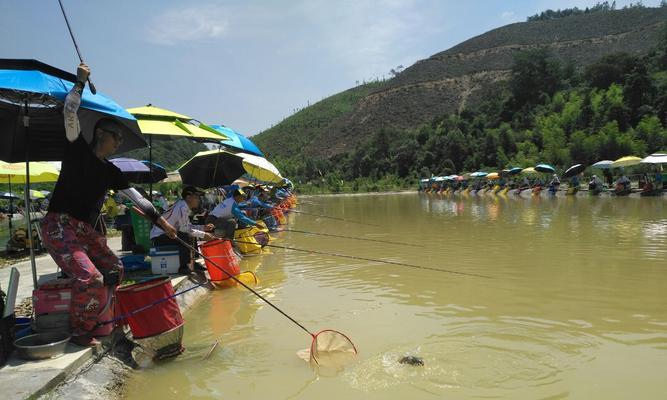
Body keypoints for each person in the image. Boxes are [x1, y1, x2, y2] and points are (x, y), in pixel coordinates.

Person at [40, 63, 176, 347]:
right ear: (102, 134)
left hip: (83, 229)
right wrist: (79, 82)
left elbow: (138, 199)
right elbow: (69, 112)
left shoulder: (111, 171)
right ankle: (80, 330)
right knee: (89, 277)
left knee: (115, 267)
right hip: (58, 226)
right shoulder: (76, 149)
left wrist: (165, 225)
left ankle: (105, 315)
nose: (119, 142)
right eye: (117, 137)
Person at [150, 186, 215, 274]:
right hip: (159, 237)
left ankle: (193, 262)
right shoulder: (181, 207)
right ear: (188, 197)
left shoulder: (183, 206)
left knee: (190, 234)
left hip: (168, 234)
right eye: (196, 197)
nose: (198, 199)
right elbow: (185, 230)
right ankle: (183, 266)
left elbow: (187, 226)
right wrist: (203, 235)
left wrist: (203, 228)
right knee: (185, 235)